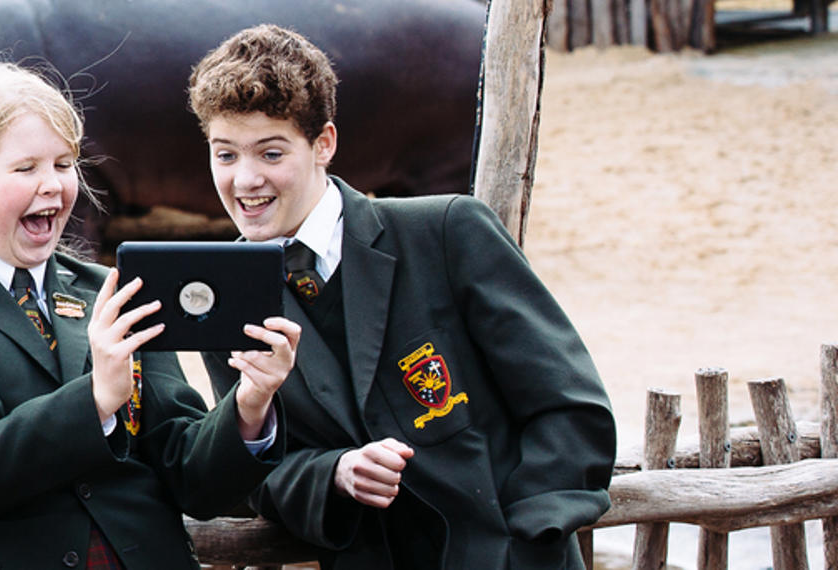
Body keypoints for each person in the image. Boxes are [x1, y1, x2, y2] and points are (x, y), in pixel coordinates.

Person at [188, 25, 617, 569]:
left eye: (270, 153)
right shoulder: (224, 294)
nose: (245, 180)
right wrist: (334, 473)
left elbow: (571, 405)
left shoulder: (448, 232)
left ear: (324, 144)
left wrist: (525, 534)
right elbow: (261, 477)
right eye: (225, 155)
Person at [0, 60, 297, 569]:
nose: (54, 185)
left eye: (63, 164)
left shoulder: (112, 291)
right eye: (26, 168)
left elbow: (192, 481)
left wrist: (251, 406)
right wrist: (98, 398)